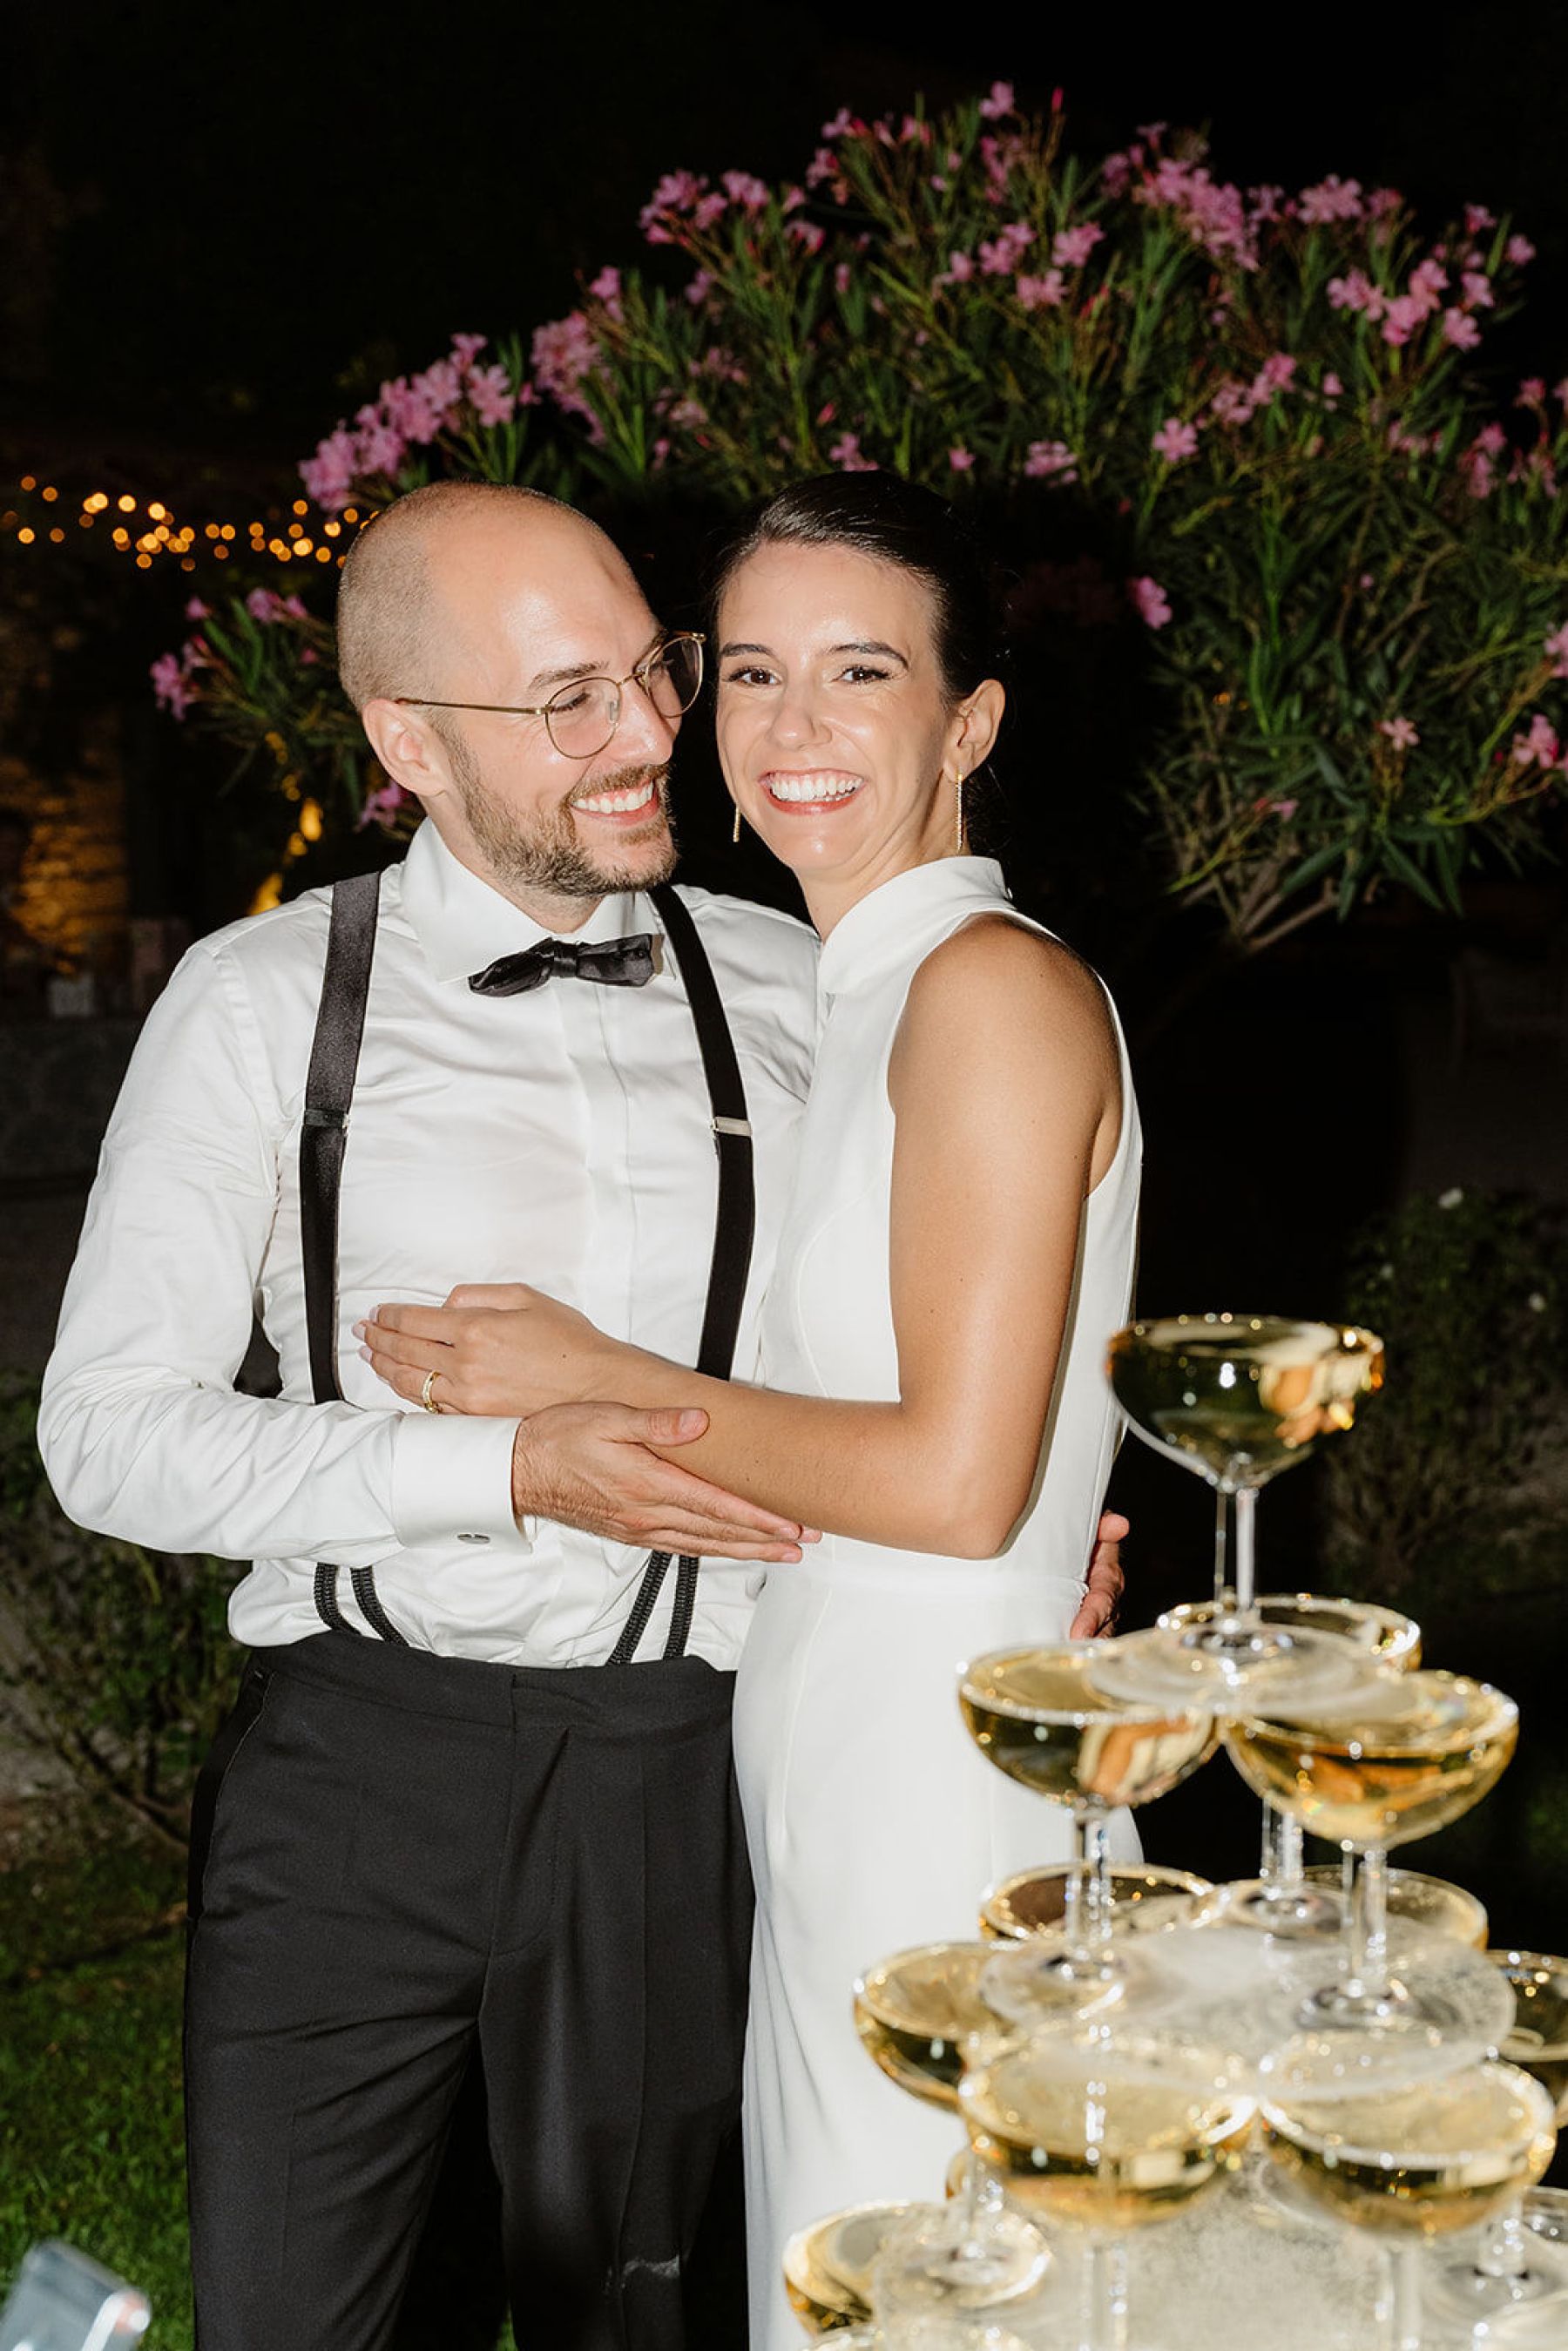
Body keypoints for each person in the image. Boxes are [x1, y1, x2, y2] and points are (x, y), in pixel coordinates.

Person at [37, 480, 828, 2351]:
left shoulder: (807, 986)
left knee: (631, 2309)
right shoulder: (257, 1004)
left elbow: (911, 1376)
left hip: (678, 1764)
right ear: (408, 740)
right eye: (570, 701)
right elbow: (108, 1432)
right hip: (359, 1774)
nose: (650, 735)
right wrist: (501, 1468)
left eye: (655, 668)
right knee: (294, 2314)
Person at [356, 473, 1144, 2349]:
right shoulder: (858, 988)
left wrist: (595, 1376)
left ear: (970, 723)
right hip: (835, 1749)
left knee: (928, 2284)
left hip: (935, 1781)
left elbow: (957, 1488)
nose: (790, 731)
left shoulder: (985, 989)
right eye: (752, 673)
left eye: (859, 673)